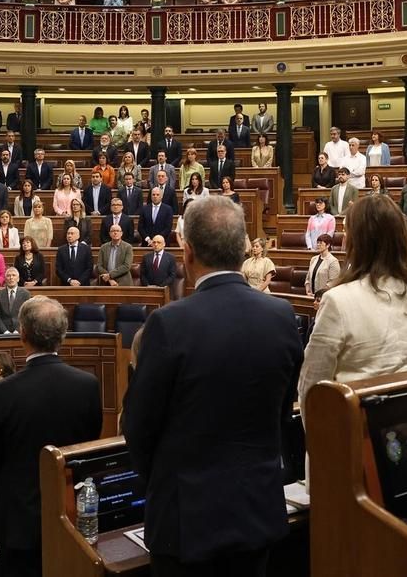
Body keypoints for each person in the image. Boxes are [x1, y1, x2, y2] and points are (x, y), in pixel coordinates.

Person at [123, 196, 302, 575]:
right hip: (257, 511)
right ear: (242, 250)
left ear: (186, 252)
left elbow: (137, 429)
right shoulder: (282, 316)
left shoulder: (169, 324)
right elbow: (283, 410)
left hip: (187, 523)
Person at [0, 296, 102, 576]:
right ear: (63, 335)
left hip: (18, 524)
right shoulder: (87, 386)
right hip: (70, 518)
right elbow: (86, 451)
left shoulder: (0, 393)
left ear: (22, 334)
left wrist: (11, 493)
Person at [300, 194, 407, 399]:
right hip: (405, 416)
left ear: (358, 240)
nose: (344, 238)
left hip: (354, 421)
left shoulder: (337, 300)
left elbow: (312, 385)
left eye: (346, 231)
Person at [0, 269, 31, 335]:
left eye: (14, 275)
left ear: (18, 279)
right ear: (5, 279)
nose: (11, 278)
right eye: (8, 276)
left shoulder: (25, 294)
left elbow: (27, 315)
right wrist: (5, 331)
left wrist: (18, 330)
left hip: (21, 332)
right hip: (3, 333)